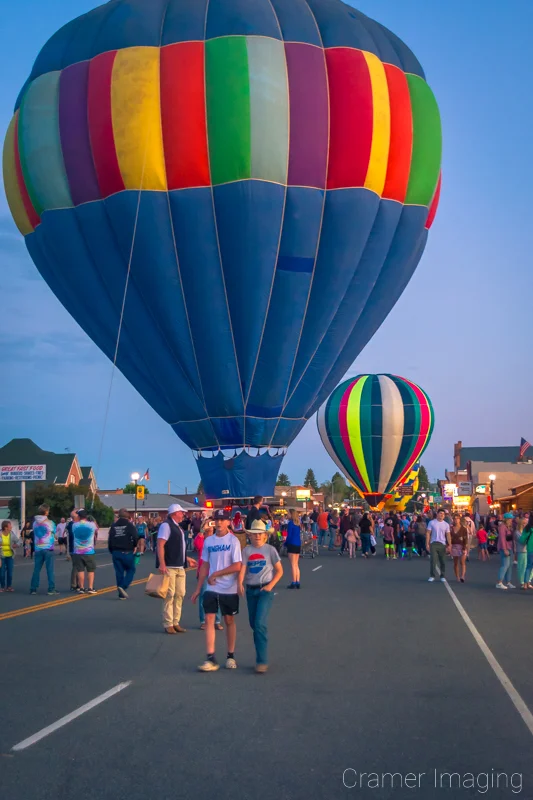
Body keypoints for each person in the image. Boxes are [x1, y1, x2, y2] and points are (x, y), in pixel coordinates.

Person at [192, 508, 242, 672]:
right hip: (212, 587)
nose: (219, 522)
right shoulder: (209, 541)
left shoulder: (233, 541)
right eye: (217, 520)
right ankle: (211, 657)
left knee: (228, 621)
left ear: (228, 522)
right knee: (209, 620)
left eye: (223, 520)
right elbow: (205, 565)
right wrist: (199, 588)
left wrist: (217, 573)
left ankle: (230, 655)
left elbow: (237, 565)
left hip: (229, 587)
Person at [239, 519, 283, 673]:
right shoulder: (246, 551)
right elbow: (243, 568)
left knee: (259, 624)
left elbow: (280, 571)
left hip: (265, 590)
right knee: (253, 624)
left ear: (265, 535)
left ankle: (262, 660)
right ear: (250, 536)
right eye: (254, 534)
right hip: (251, 590)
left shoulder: (270, 550)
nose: (257, 536)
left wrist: (270, 586)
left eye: (260, 534)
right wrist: (240, 583)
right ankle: (260, 650)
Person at [157, 503, 197, 634]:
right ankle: (168, 623)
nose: (183, 515)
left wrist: (187, 559)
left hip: (180, 566)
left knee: (180, 594)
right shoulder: (166, 525)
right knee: (170, 595)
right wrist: (162, 564)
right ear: (174, 513)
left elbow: (179, 547)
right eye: (181, 512)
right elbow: (161, 545)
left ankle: (176, 621)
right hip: (169, 566)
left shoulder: (178, 527)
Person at [194, 519, 222, 631]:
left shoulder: (218, 538)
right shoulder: (202, 539)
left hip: (216, 572)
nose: (210, 527)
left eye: (212, 524)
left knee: (217, 597)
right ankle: (203, 621)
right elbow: (197, 544)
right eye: (209, 524)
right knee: (204, 598)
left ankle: (217, 621)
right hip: (204, 573)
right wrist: (202, 530)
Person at [108, 508, 139, 599]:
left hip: (116, 552)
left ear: (119, 515)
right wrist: (134, 546)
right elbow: (135, 537)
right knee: (131, 569)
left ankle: (121, 594)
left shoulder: (114, 526)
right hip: (127, 551)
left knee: (119, 572)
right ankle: (123, 586)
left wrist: (111, 550)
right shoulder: (130, 526)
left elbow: (110, 539)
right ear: (128, 516)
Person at [30, 505, 59, 596]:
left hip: (38, 548)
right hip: (48, 548)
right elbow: (55, 534)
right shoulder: (50, 523)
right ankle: (51, 588)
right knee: (50, 569)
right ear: (46, 512)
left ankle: (33, 588)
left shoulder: (34, 523)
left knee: (36, 569)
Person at [72, 509, 98, 594]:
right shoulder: (91, 525)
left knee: (80, 570)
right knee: (90, 570)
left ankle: (82, 587)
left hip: (78, 551)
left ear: (79, 517)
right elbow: (96, 529)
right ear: (86, 517)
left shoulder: (74, 525)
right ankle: (90, 588)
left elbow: (73, 516)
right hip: (89, 551)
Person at [426, 509, 451, 583]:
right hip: (433, 543)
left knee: (442, 561)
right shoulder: (432, 522)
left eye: (443, 514)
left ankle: (442, 576)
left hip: (442, 544)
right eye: (440, 513)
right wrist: (427, 543)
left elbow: (448, 535)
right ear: (437, 514)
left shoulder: (446, 524)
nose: (442, 515)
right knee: (433, 560)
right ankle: (432, 575)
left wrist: (450, 544)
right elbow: (428, 533)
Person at [0, 520, 21, 592]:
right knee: (2, 572)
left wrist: (16, 545)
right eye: (10, 526)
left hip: (10, 556)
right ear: (5, 528)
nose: (11, 527)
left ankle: (9, 586)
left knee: (10, 572)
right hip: (1, 556)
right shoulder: (0, 534)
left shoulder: (11, 534)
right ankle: (2, 586)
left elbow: (19, 541)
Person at [496, 516, 515, 590]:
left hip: (510, 547)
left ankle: (508, 581)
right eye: (510, 519)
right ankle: (499, 582)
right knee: (505, 565)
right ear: (507, 519)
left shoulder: (509, 527)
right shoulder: (502, 527)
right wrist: (504, 549)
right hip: (505, 547)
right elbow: (502, 539)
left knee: (510, 565)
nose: (511, 520)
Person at [285, 509, 302, 588]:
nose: (287, 515)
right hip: (298, 544)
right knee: (296, 564)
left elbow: (289, 535)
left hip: (291, 543)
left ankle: (293, 581)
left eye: (288, 513)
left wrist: (285, 543)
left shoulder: (290, 523)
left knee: (292, 564)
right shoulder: (298, 524)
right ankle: (297, 581)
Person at [450, 514, 469, 582]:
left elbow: (465, 539)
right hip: (454, 546)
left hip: (462, 546)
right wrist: (449, 546)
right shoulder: (451, 528)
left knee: (462, 561)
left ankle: (462, 576)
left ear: (459, 520)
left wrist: (464, 547)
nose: (456, 520)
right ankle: (457, 577)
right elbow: (449, 538)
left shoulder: (463, 529)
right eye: (454, 519)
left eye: (457, 518)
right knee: (455, 562)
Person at [66, 511, 79, 591]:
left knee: (78, 566)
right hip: (74, 548)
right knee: (76, 566)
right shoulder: (72, 525)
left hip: (76, 547)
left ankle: (77, 583)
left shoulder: (72, 524)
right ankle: (74, 584)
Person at [519, 516, 533, 589]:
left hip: (530, 549)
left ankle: (525, 583)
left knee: (528, 567)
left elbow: (522, 540)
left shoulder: (527, 528)